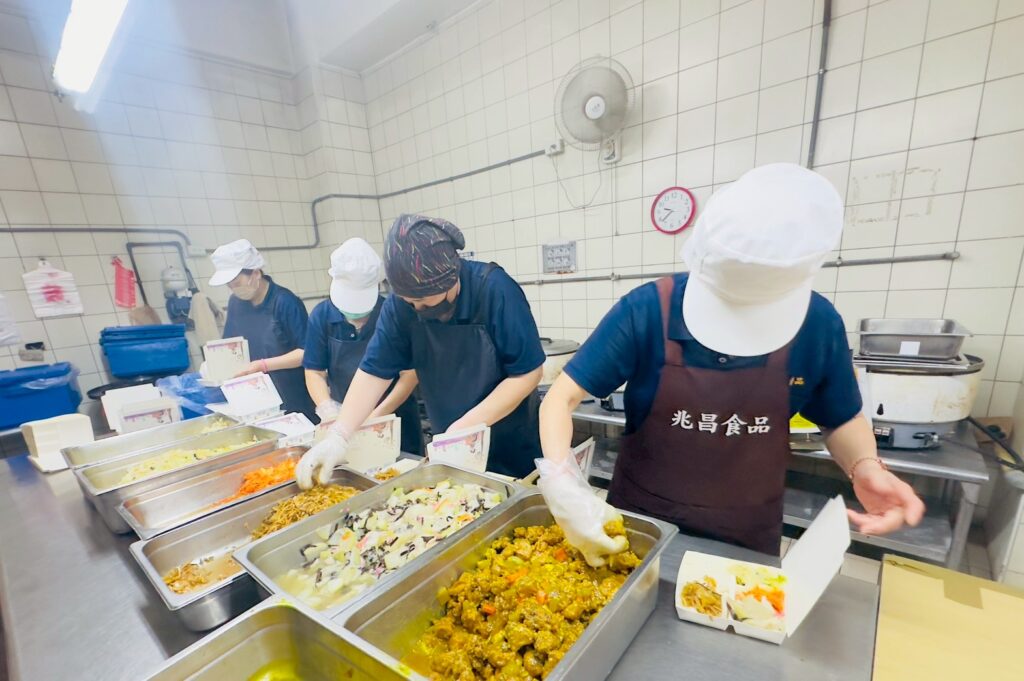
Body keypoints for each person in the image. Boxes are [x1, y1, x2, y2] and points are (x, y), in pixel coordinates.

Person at [536, 163, 926, 566]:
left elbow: (841, 417)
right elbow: (561, 398)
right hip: (641, 523)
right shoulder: (648, 309)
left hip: (746, 536)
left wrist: (864, 466)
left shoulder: (818, 324)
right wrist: (562, 481)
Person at [297, 214, 545, 488]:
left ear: (450, 279)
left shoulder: (495, 290)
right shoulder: (399, 306)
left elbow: (528, 373)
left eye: (421, 300)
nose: (415, 308)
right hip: (448, 442)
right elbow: (374, 371)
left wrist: (467, 425)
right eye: (408, 300)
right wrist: (339, 435)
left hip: (510, 441)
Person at [303, 238, 423, 454]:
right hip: (343, 419)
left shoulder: (394, 314)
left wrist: (374, 416)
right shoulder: (321, 316)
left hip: (396, 421)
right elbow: (314, 371)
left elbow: (410, 375)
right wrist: (329, 410)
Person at [209, 238, 315, 420]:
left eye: (236, 282)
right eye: (229, 285)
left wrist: (263, 365)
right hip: (255, 399)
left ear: (256, 273)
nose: (233, 289)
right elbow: (232, 346)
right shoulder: (236, 303)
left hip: (291, 398)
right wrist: (214, 364)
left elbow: (306, 353)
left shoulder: (285, 302)